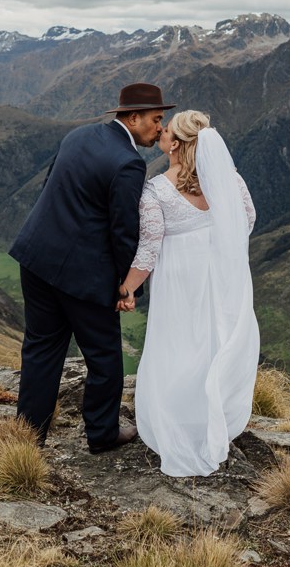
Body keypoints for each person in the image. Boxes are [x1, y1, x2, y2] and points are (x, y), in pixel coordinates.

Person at [10, 82, 174, 453]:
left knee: (40, 349)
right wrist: (128, 286)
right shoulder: (129, 163)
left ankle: (27, 440)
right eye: (156, 119)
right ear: (133, 118)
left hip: (36, 259)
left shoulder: (78, 136)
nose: (161, 128)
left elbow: (53, 188)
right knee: (104, 357)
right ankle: (102, 434)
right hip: (83, 277)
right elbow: (123, 232)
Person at [116, 109, 259, 477]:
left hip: (179, 279)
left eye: (166, 132)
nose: (160, 132)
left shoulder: (156, 190)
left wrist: (127, 288)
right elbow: (248, 219)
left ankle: (180, 424)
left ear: (175, 146)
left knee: (178, 345)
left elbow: (148, 250)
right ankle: (210, 421)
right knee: (214, 342)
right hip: (220, 275)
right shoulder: (230, 180)